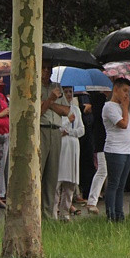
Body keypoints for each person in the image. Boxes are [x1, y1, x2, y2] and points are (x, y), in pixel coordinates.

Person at [40, 60, 70, 219]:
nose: (46, 71)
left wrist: (49, 103)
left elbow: (66, 110)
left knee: (52, 175)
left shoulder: (56, 87)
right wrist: (51, 100)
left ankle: (48, 213)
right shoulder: (35, 86)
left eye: (49, 68)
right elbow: (37, 111)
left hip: (56, 131)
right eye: (44, 68)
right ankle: (36, 212)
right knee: (39, 172)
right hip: (41, 129)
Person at [104, 78, 130, 222]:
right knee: (114, 184)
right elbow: (123, 124)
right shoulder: (109, 107)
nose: (127, 95)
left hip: (127, 150)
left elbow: (129, 127)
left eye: (128, 91)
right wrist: (125, 108)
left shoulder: (123, 107)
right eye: (124, 91)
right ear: (116, 89)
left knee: (122, 185)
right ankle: (111, 215)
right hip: (115, 150)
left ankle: (119, 215)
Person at [54, 87, 84, 221]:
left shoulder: (76, 109)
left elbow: (81, 130)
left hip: (73, 145)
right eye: (65, 92)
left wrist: (71, 131)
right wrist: (68, 122)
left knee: (71, 182)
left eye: (70, 92)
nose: (68, 94)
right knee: (58, 180)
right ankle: (54, 211)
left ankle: (65, 212)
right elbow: (59, 129)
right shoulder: (58, 109)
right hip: (62, 145)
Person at [85, 89, 110, 215]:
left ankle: (100, 199)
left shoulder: (100, 102)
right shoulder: (100, 100)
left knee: (105, 171)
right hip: (103, 141)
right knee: (102, 170)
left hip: (104, 140)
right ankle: (92, 201)